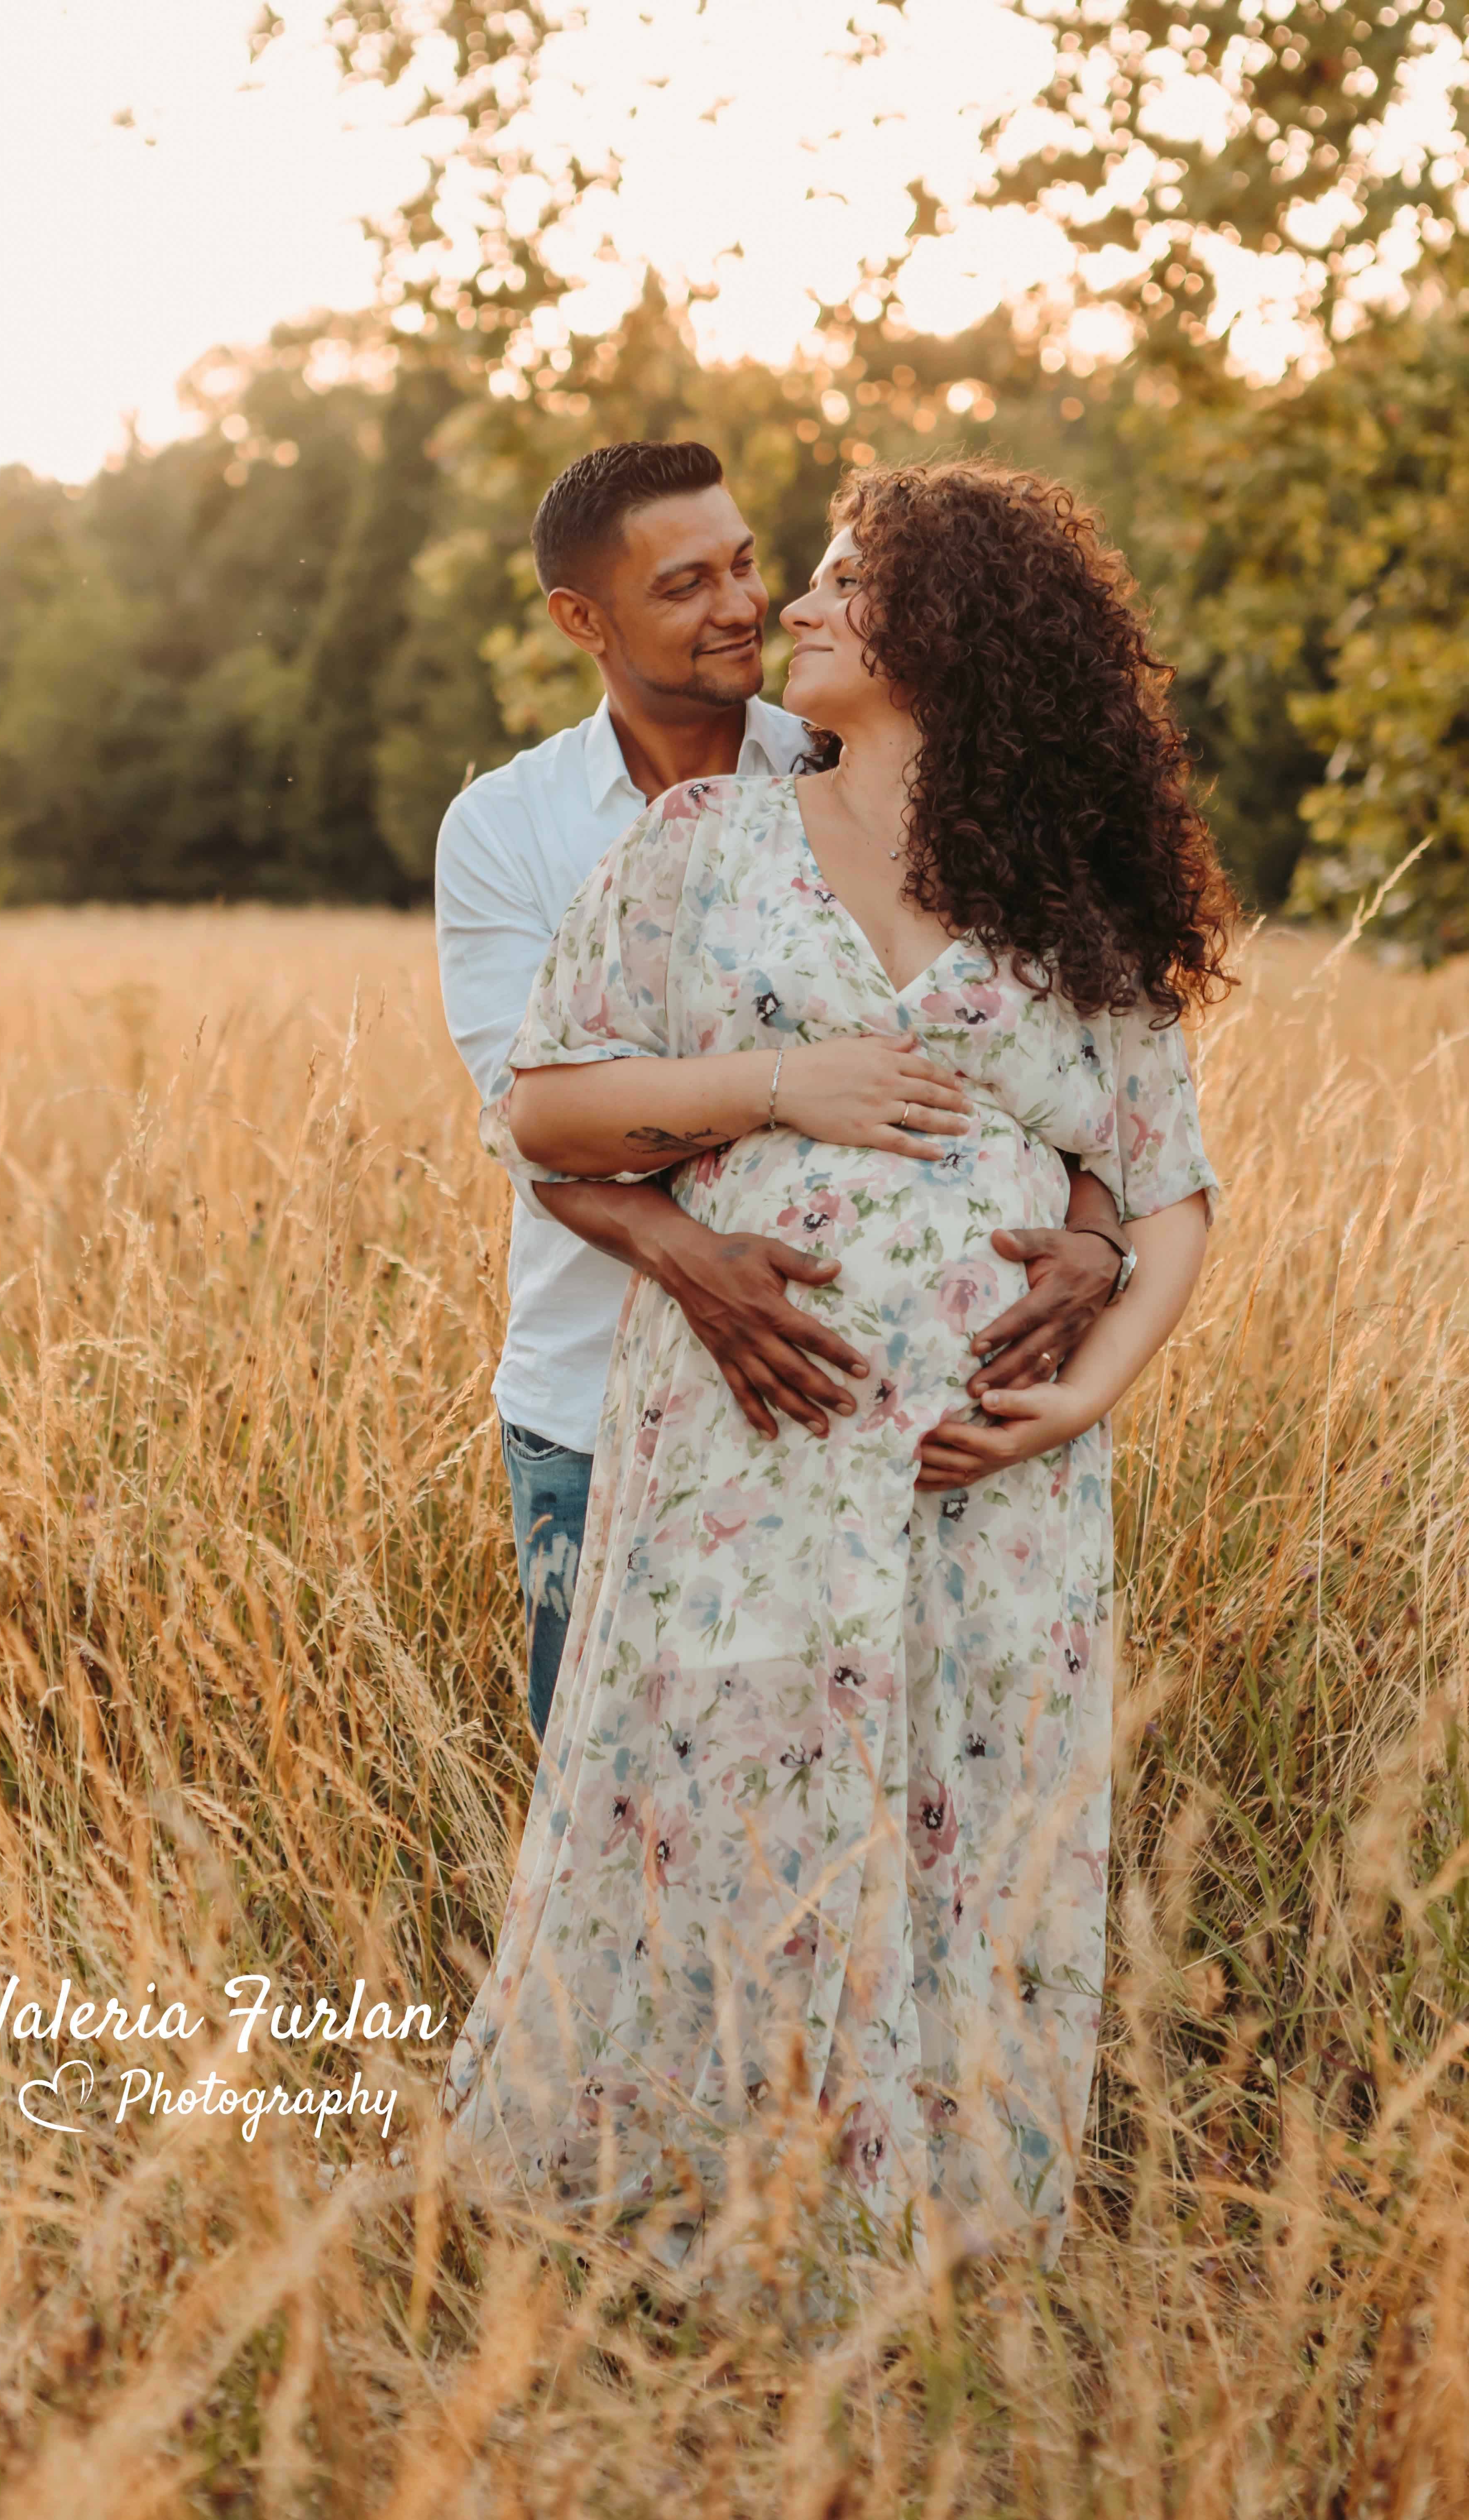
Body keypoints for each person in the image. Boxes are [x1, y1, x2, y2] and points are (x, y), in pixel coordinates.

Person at [438, 456, 1233, 2278]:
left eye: (829, 583)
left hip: (987, 1485)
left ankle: (925, 2225)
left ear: (943, 636)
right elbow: (544, 1106)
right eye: (761, 579)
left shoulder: (1058, 896)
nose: (785, 608)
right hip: (736, 1456)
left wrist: (1088, 1376)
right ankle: (694, 2204)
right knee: (714, 1792)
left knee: (963, 1806)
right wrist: (786, 1091)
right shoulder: (694, 843)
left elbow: (1168, 1181)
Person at [434, 441, 1134, 1744]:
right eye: (688, 583)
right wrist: (702, 1241)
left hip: (880, 1420)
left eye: (749, 562)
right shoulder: (510, 829)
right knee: (623, 1794)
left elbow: (1054, 1057)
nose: (746, 603)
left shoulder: (857, 745)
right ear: (583, 620)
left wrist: (1099, 1230)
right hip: (600, 1392)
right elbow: (532, 1117)